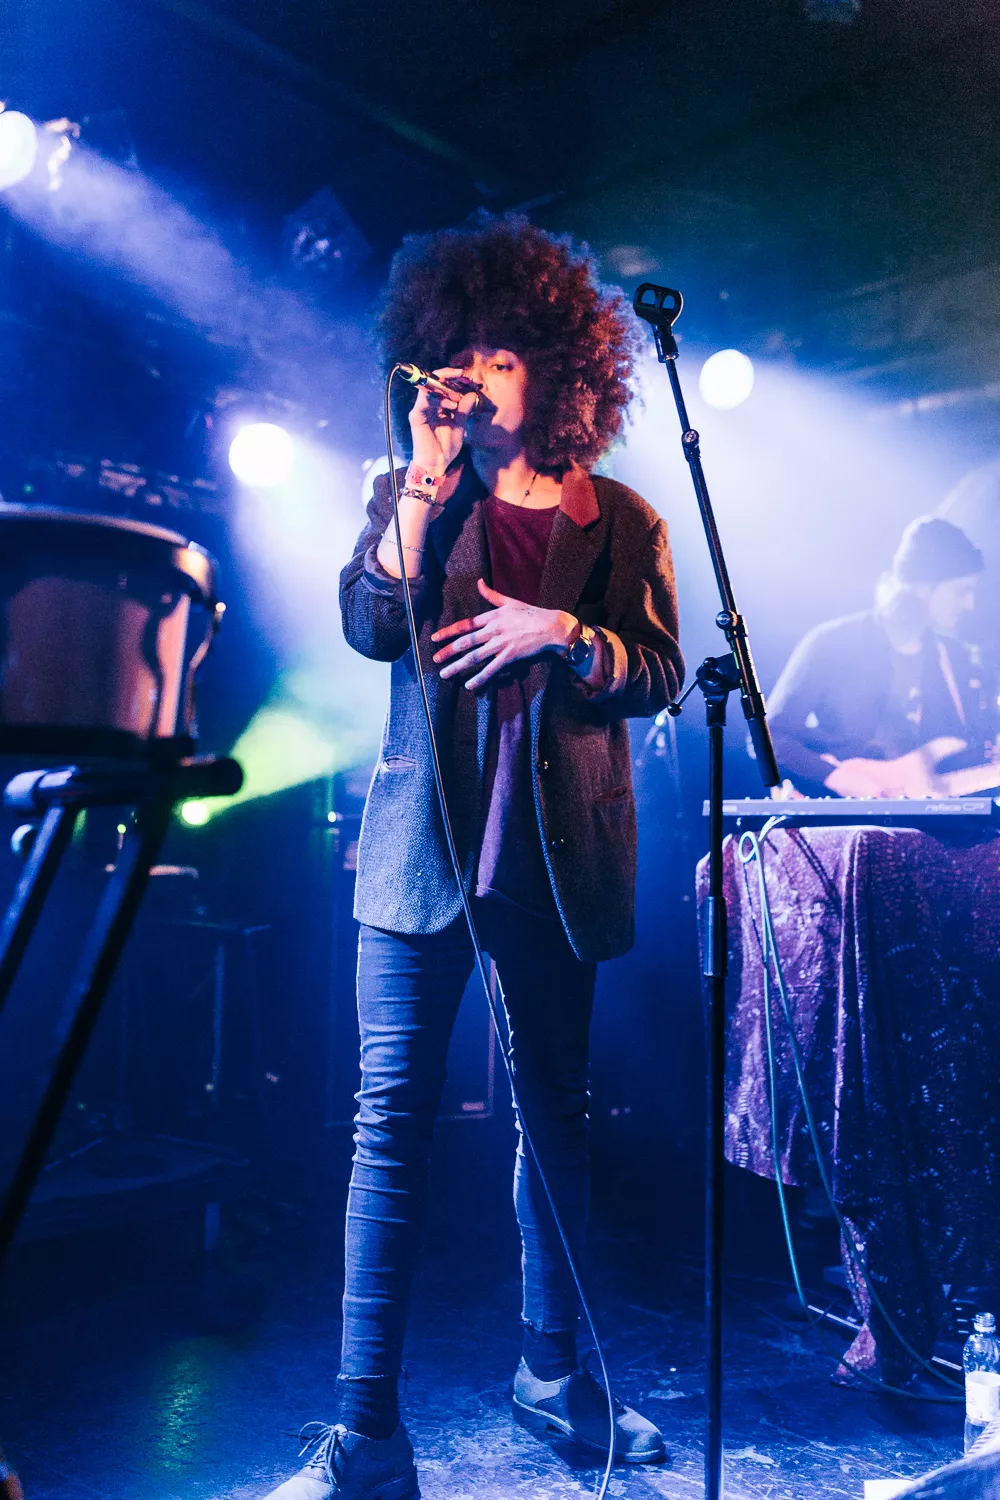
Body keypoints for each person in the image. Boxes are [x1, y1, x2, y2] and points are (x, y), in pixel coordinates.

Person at [262, 217, 683, 1500]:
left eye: (502, 356)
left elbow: (660, 672)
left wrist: (564, 633)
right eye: (461, 354)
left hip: (555, 859)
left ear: (557, 370)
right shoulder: (415, 495)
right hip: (417, 856)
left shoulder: (617, 517)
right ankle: (364, 1436)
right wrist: (421, 478)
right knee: (387, 1125)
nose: (476, 376)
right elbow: (367, 623)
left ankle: (553, 1376)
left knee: (554, 1119)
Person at [767, 515, 998, 797]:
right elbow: (770, 736)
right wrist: (835, 777)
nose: (969, 605)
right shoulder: (833, 641)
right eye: (961, 591)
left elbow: (964, 748)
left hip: (928, 813)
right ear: (923, 586)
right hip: (846, 813)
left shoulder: (954, 656)